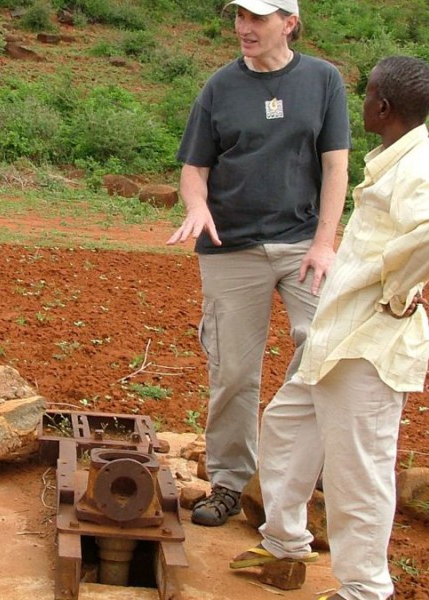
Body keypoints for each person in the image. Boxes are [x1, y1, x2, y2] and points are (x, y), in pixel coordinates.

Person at [230, 56, 429, 600]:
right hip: (339, 337)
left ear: (382, 106)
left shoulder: (420, 166)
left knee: (359, 470)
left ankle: (365, 589)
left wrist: (391, 284)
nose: (362, 103)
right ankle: (284, 544)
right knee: (286, 429)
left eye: (368, 94)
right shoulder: (394, 158)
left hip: (368, 346)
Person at [166, 0, 350, 526]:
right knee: (234, 372)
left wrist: (324, 241)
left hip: (301, 243)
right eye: (239, 18)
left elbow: (335, 166)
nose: (244, 28)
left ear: (288, 23)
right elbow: (194, 169)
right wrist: (197, 206)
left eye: (257, 18)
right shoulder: (219, 88)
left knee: (322, 348)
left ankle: (293, 468)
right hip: (231, 247)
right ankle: (228, 482)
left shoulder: (322, 80)